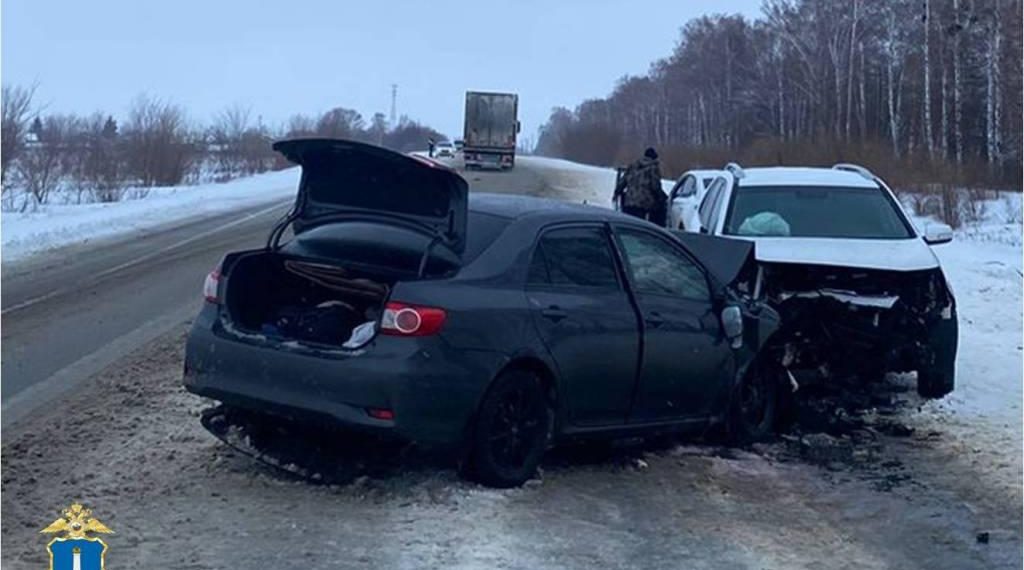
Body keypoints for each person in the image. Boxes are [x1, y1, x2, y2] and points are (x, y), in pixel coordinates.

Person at [613, 147, 667, 226]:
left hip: (629, 201)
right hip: (644, 204)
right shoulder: (653, 168)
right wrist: (662, 198)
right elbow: (655, 187)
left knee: (629, 225)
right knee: (640, 225)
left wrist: (617, 192)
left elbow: (623, 181)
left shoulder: (633, 166)